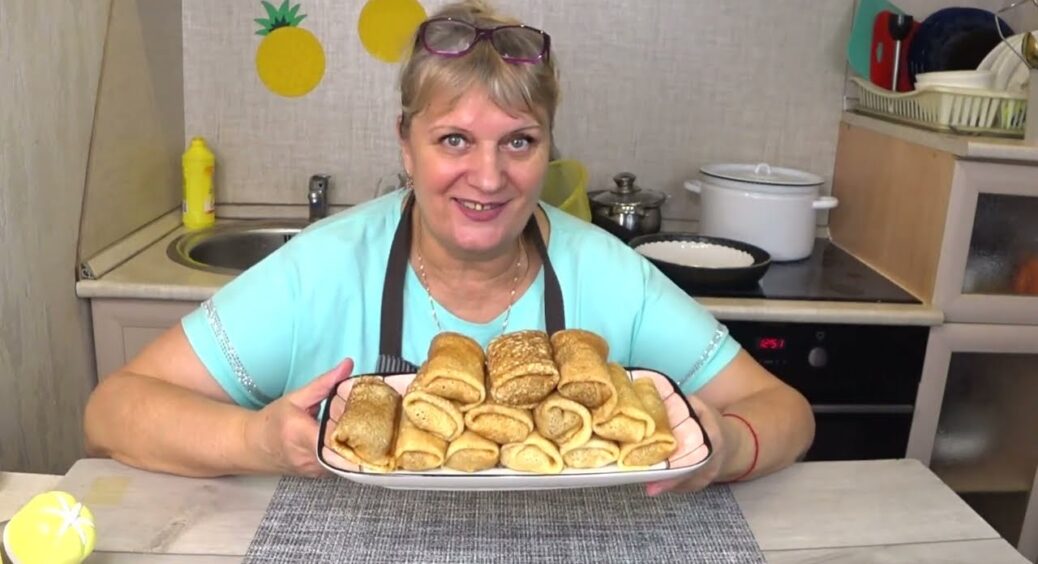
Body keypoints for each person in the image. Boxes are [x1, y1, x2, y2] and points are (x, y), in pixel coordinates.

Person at [83, 0, 813, 495]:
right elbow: (114, 410)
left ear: (549, 147)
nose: (488, 178)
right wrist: (256, 442)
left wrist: (725, 447)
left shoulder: (608, 274)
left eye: (519, 142)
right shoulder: (323, 269)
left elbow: (785, 411)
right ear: (406, 143)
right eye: (454, 140)